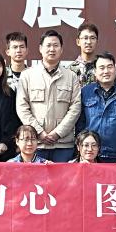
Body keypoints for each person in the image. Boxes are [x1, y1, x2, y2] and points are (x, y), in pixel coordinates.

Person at [15, 29, 82, 162]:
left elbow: (75, 108)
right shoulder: (27, 75)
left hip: (63, 145)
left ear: (61, 49)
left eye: (56, 45)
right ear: (40, 48)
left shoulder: (71, 76)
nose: (52, 49)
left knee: (63, 176)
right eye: (48, 45)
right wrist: (39, 132)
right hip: (35, 144)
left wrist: (58, 133)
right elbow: (22, 108)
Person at [78, 52, 116, 163]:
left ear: (115, 69)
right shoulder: (86, 92)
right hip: (92, 154)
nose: (106, 71)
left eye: (110, 67)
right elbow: (80, 123)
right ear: (95, 71)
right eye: (101, 68)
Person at [8, 125, 54, 232]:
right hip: (17, 206)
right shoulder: (10, 164)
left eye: (33, 139)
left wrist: (53, 170)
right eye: (25, 139)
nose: (29, 143)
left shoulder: (44, 164)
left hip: (38, 206)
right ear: (17, 141)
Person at [64, 130, 102, 232]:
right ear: (78, 147)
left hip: (97, 206)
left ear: (99, 148)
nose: (89, 149)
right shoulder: (69, 165)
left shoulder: (106, 167)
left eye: (94, 145)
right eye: (85, 145)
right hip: (75, 207)